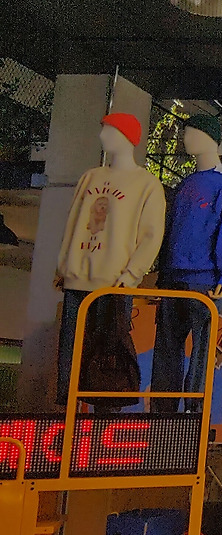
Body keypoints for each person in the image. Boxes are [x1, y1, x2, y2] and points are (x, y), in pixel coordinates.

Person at [54, 111, 165, 404]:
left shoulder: (146, 184)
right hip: (77, 278)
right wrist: (63, 266)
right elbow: (72, 223)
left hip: (114, 284)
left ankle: (105, 416)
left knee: (108, 358)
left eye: (109, 130)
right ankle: (68, 415)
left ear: (126, 136)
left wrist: (131, 275)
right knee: (71, 355)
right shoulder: (90, 177)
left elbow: (151, 235)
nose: (102, 136)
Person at [152, 115, 222, 412]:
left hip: (205, 278)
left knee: (202, 350)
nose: (185, 138)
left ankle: (195, 413)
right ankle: (162, 413)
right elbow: (172, 227)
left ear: (210, 138)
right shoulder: (187, 183)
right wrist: (162, 272)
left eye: (192, 132)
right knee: (167, 346)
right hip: (174, 275)